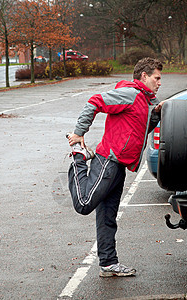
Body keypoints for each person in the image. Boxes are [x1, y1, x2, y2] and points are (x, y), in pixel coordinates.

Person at [67, 57, 164, 277]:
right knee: (83, 204)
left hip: (119, 165)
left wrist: (155, 114)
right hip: (107, 160)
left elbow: (139, 131)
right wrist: (79, 133)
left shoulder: (144, 101)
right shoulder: (130, 94)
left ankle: (109, 263)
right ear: (144, 76)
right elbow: (95, 101)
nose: (159, 83)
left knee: (107, 217)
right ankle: (77, 156)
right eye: (156, 78)